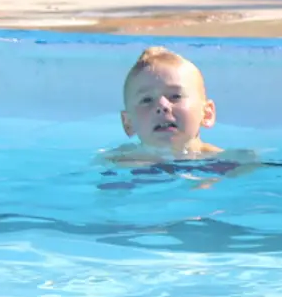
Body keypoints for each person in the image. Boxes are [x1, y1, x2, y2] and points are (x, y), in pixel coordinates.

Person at [100, 46, 262, 189]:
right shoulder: (116, 163)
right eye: (147, 100)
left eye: (175, 96)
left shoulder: (229, 162)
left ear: (207, 114)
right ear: (128, 123)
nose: (162, 106)